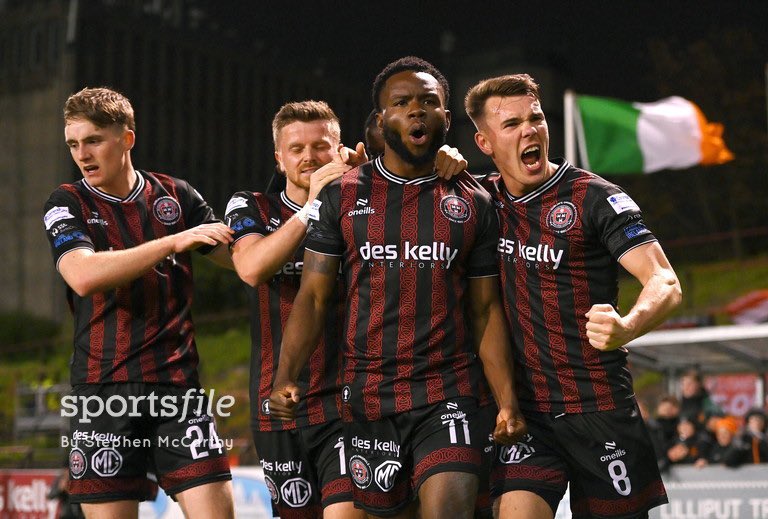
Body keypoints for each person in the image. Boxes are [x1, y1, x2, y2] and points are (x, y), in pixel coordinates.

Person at [270, 57, 526, 519]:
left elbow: (486, 311)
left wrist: (506, 399)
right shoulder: (342, 196)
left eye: (429, 102)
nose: (416, 111)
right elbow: (312, 295)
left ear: (446, 120)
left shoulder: (474, 202)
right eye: (402, 102)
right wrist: (286, 375)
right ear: (380, 118)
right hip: (369, 395)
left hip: (448, 391)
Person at [464, 74, 682, 519]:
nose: (530, 130)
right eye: (512, 124)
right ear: (484, 142)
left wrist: (628, 325)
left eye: (536, 118)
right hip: (526, 417)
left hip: (598, 404)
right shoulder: (479, 198)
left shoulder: (596, 197)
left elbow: (665, 281)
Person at [43, 87, 235, 518]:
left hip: (178, 390)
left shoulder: (176, 195)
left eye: (93, 140)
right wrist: (172, 242)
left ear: (127, 138)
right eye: (73, 144)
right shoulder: (66, 202)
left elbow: (245, 261)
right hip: (103, 393)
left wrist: (308, 201)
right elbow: (82, 274)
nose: (82, 154)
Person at [226, 100, 365, 519]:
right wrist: (313, 207)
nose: (309, 157)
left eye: (321, 146)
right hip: (277, 403)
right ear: (279, 158)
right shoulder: (251, 206)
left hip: (347, 402)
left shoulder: (361, 210)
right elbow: (251, 267)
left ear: (339, 150)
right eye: (296, 148)